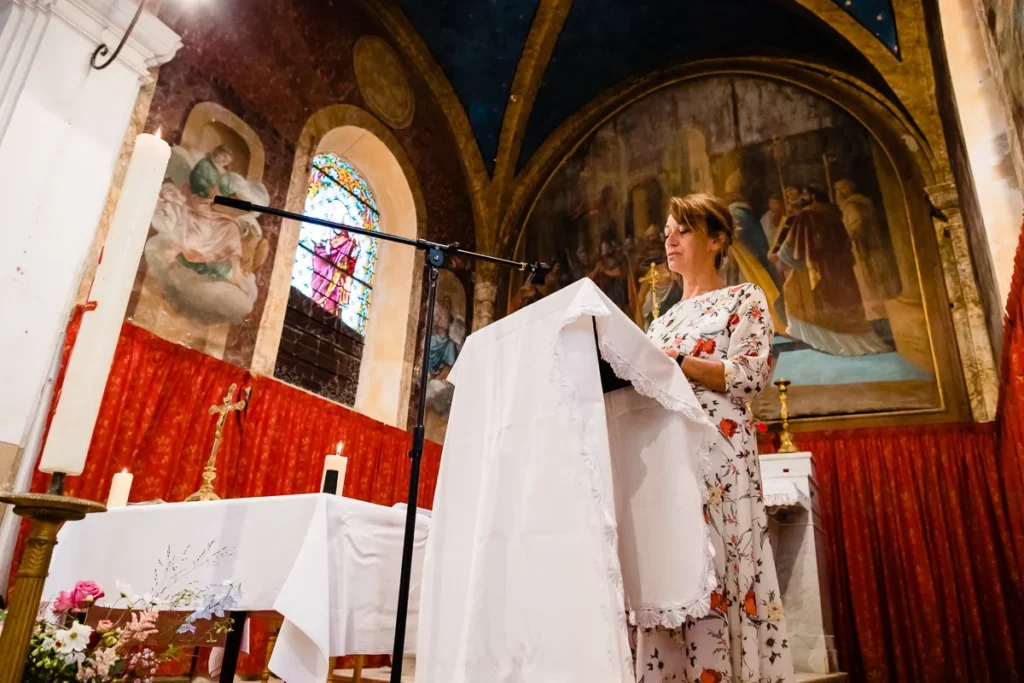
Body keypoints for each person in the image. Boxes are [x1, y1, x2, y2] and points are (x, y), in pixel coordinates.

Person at [640, 193, 794, 683]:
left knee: (718, 569)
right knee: (670, 571)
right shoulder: (658, 322)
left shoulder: (744, 298)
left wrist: (676, 364)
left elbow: (748, 377)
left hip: (718, 458)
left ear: (717, 239)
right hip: (664, 457)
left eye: (681, 230)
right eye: (666, 231)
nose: (669, 239)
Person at [776, 185, 889, 356]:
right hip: (839, 267)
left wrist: (781, 256)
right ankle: (841, 342)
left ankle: (825, 341)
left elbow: (791, 248)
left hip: (817, 268)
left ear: (812, 196)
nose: (800, 197)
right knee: (841, 302)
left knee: (797, 295)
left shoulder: (808, 215)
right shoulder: (834, 213)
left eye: (804, 193)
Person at [833, 179, 901, 320]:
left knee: (873, 281)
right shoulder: (853, 204)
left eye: (842, 188)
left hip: (865, 249)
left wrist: (846, 237)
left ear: (850, 188)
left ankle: (881, 315)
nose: (839, 192)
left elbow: (856, 225)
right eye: (837, 190)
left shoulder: (853, 205)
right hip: (867, 248)